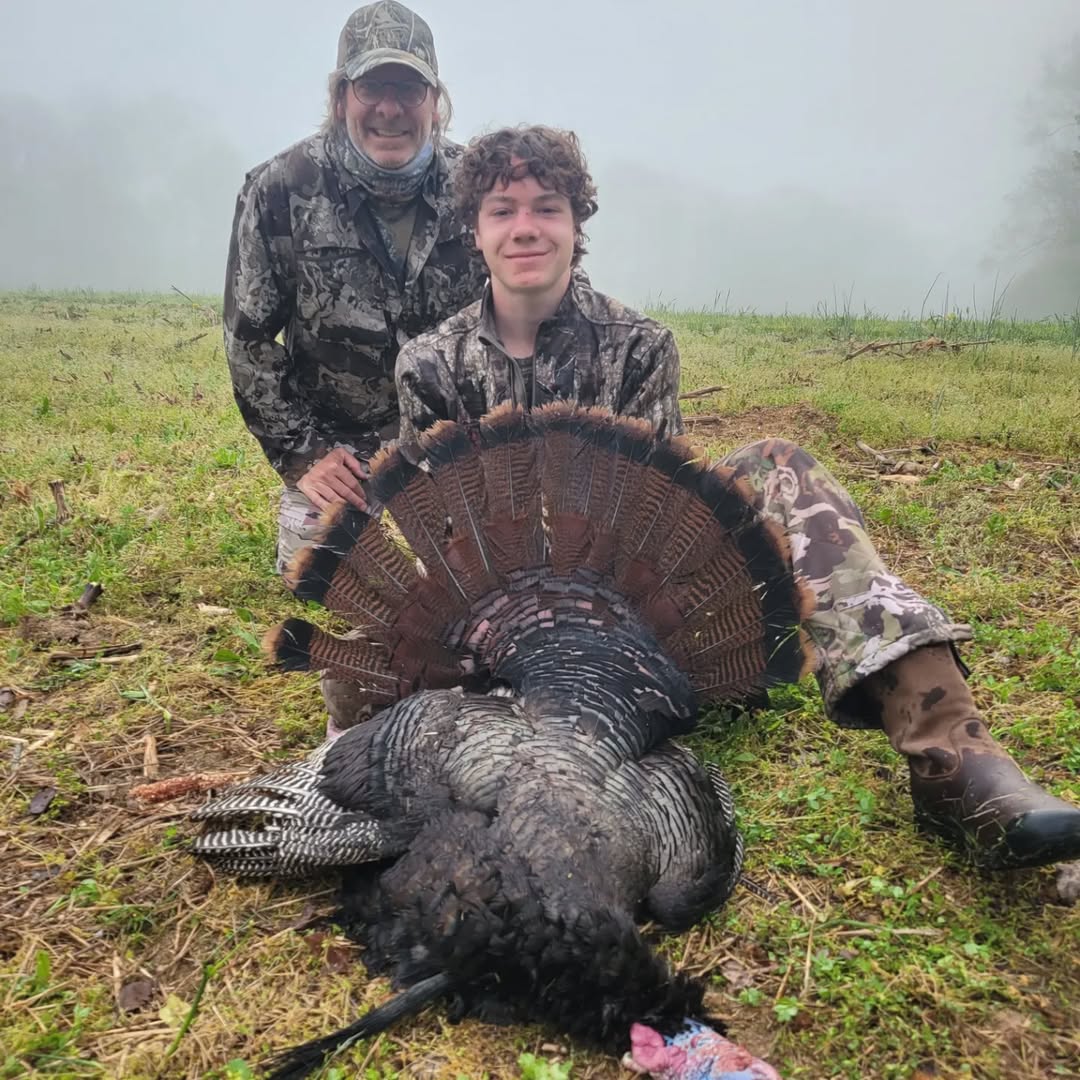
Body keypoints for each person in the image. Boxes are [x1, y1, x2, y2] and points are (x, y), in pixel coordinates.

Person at [394, 124, 1080, 871]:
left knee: (779, 466)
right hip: (506, 644)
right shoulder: (430, 364)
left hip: (637, 618)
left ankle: (957, 763)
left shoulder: (637, 343)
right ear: (475, 229)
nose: (525, 227)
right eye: (502, 210)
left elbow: (646, 521)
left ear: (576, 224)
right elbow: (450, 539)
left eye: (546, 207)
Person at [223, 2, 486, 735]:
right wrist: (303, 454)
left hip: (455, 449)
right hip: (345, 454)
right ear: (341, 96)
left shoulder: (479, 187)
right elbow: (249, 339)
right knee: (329, 581)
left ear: (435, 100)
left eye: (409, 88)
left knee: (481, 597)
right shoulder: (280, 189)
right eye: (373, 87)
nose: (390, 109)